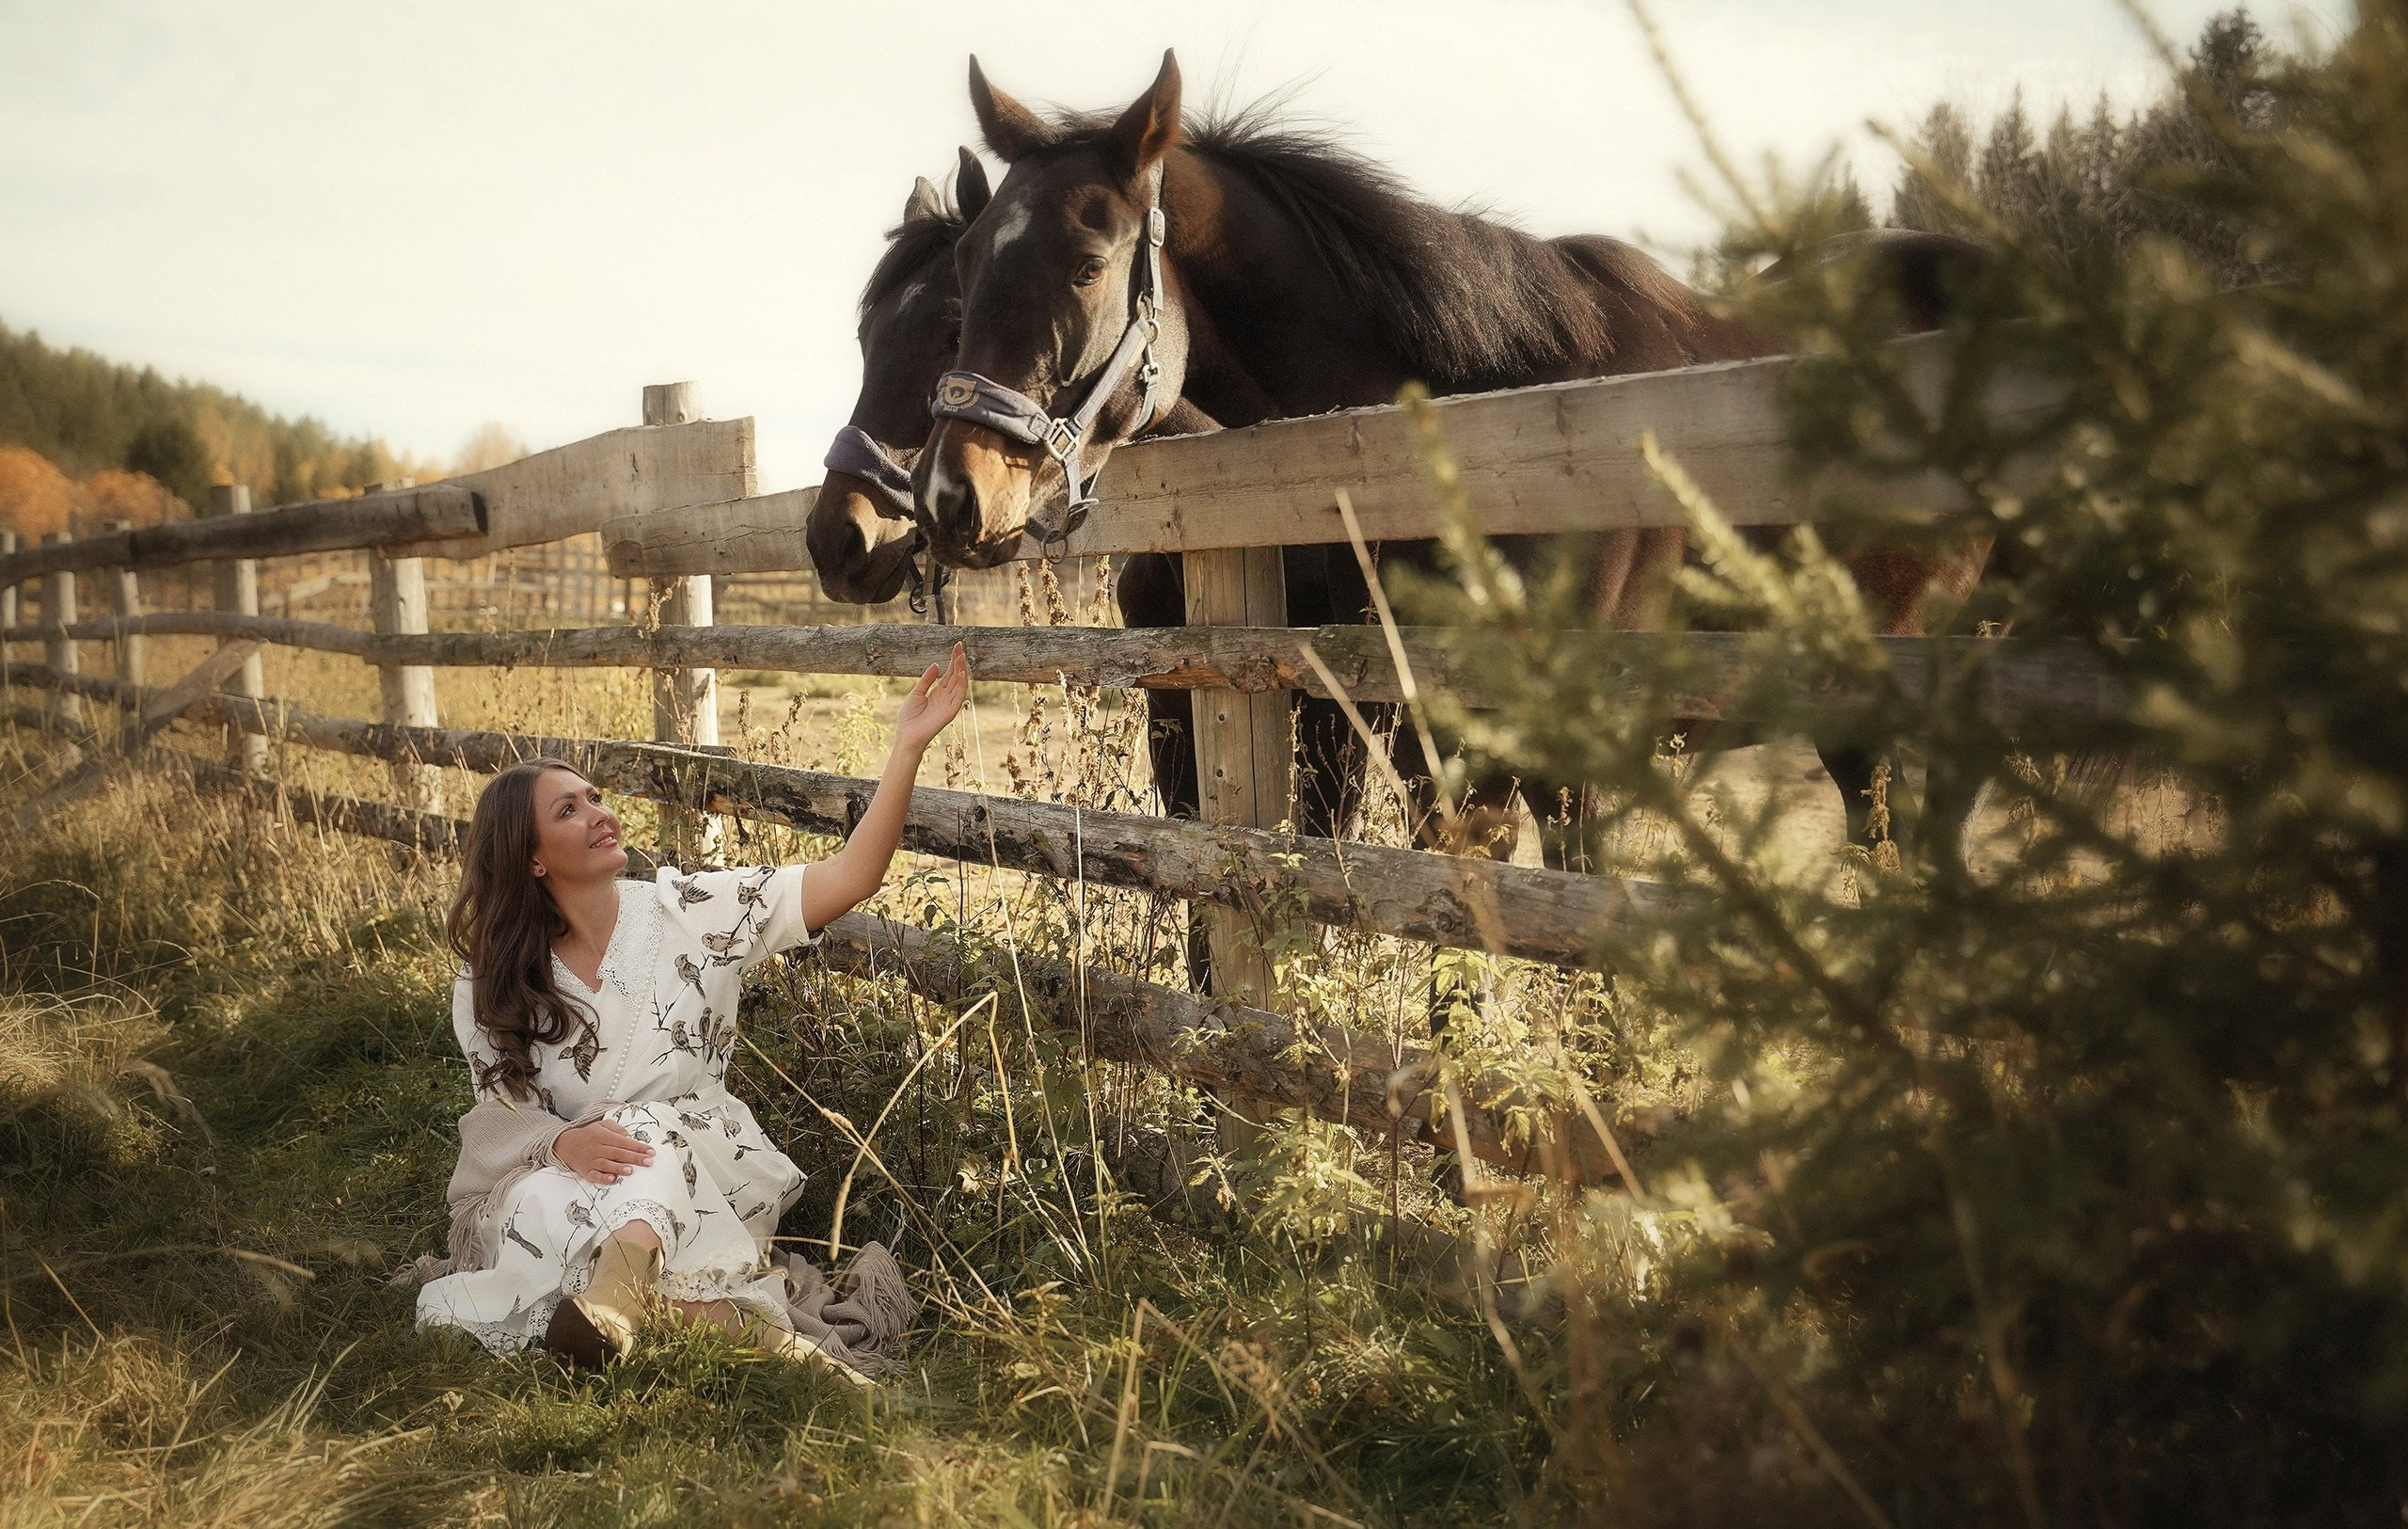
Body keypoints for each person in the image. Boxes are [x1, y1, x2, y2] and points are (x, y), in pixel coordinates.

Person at [403, 644, 970, 1383]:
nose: (600, 814)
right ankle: (771, 1351)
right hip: (571, 1179)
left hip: (705, 1170)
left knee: (638, 1129)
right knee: (545, 1198)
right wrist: (562, 1146)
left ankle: (610, 1298)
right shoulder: (489, 982)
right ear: (532, 857)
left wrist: (906, 748)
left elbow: (854, 874)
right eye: (568, 810)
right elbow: (501, 1121)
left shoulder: (695, 909)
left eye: (595, 796)